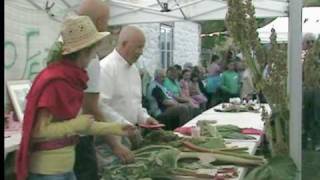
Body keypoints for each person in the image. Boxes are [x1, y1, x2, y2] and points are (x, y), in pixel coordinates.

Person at [16, 16, 135, 180]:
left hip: (63, 169)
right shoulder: (55, 81)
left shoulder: (71, 79)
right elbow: (39, 130)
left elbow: (79, 125)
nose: (94, 58)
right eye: (93, 53)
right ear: (84, 52)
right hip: (48, 172)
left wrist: (115, 128)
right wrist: (76, 124)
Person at [98, 25, 159, 154]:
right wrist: (125, 125)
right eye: (139, 47)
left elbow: (136, 104)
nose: (141, 52)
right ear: (124, 44)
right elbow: (100, 107)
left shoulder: (134, 70)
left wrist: (145, 118)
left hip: (130, 134)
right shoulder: (105, 68)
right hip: (110, 139)